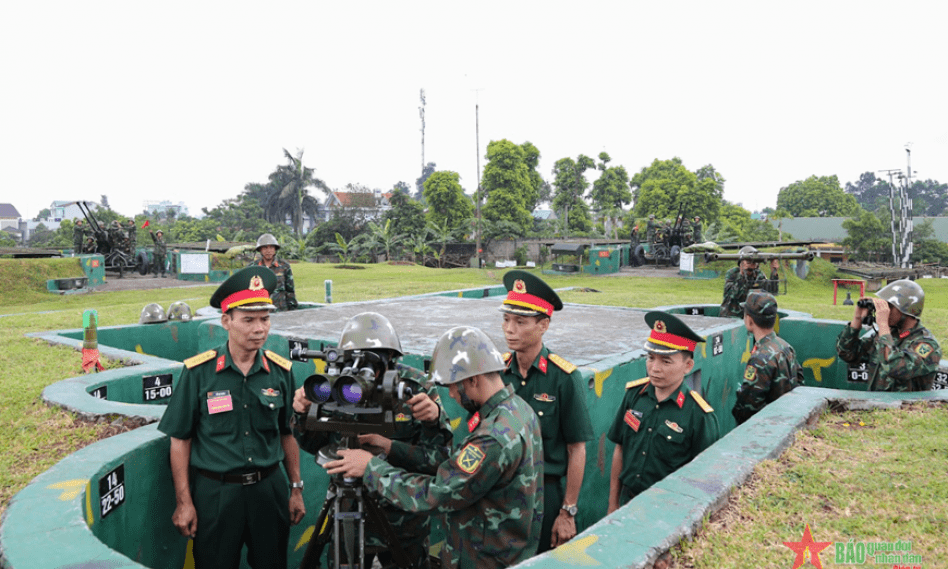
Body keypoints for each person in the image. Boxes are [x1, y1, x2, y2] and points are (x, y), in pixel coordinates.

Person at [324, 326, 544, 569]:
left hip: (482, 559)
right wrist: (390, 447)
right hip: (505, 551)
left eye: (452, 385)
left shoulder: (492, 437)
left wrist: (369, 468)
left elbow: (438, 493)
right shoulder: (519, 410)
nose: (450, 394)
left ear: (473, 379)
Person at [157, 266, 305, 569]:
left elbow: (287, 434)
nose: (259, 329)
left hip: (269, 491)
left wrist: (296, 489)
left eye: (265, 319)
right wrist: (184, 502)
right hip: (216, 495)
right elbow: (180, 439)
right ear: (226, 321)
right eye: (248, 320)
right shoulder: (199, 372)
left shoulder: (281, 372)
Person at [291, 312, 453, 569]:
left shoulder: (415, 387)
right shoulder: (335, 386)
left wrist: (432, 422)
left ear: (391, 361)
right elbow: (314, 443)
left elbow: (439, 461)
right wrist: (301, 414)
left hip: (402, 520)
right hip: (346, 513)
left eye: (371, 364)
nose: (362, 374)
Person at [499, 270, 593, 552]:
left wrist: (567, 511)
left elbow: (577, 449)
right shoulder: (498, 373)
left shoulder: (564, 378)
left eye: (520, 321)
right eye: (505, 319)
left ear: (543, 325)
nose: (509, 329)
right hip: (502, 491)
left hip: (545, 493)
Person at [607, 311, 719, 512]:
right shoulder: (634, 396)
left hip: (668, 510)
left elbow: (703, 478)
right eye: (650, 358)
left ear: (688, 366)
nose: (654, 368)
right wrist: (613, 503)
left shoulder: (699, 414)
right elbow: (620, 449)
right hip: (628, 502)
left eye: (666, 361)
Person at [836, 279, 941, 392]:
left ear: (907, 309)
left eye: (889, 306)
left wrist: (883, 325)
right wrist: (857, 320)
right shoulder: (887, 335)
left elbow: (895, 368)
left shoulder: (927, 345)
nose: (884, 311)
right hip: (876, 406)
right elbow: (847, 353)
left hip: (904, 408)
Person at [732, 292, 803, 425]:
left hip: (765, 428)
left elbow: (747, 408)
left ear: (749, 320)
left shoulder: (759, 359)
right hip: (787, 421)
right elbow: (800, 382)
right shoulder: (786, 347)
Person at [719, 246, 779, 317]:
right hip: (730, 315)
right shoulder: (732, 274)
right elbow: (733, 294)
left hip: (749, 316)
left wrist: (774, 272)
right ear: (741, 263)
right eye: (749, 261)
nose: (752, 263)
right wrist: (742, 273)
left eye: (754, 261)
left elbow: (772, 291)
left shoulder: (758, 275)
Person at [248, 233, 297, 311]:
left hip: (281, 311)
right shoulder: (252, 267)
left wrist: (292, 310)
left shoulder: (284, 266)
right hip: (260, 312)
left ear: (275, 249)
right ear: (260, 249)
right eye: (265, 248)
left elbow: (290, 290)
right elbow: (248, 291)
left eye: (271, 247)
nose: (268, 251)